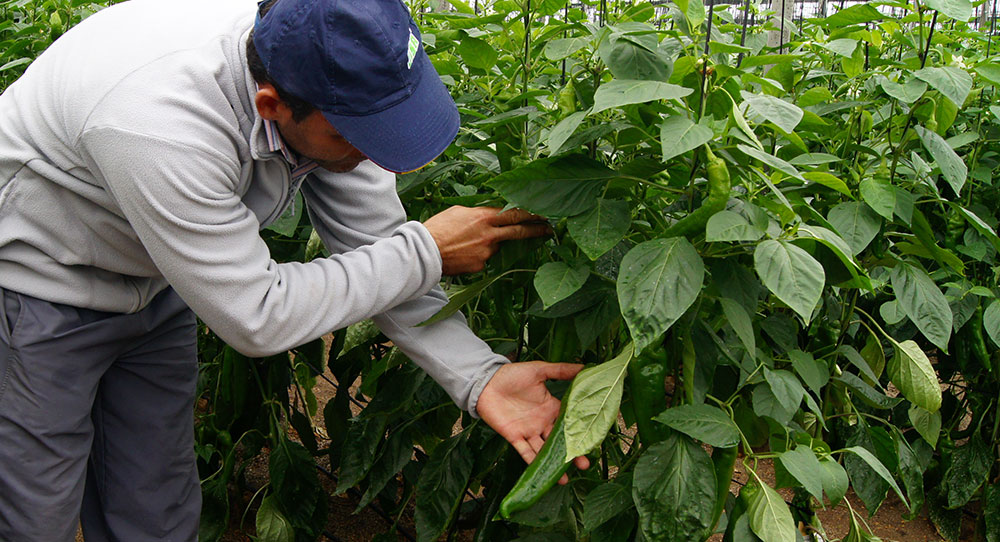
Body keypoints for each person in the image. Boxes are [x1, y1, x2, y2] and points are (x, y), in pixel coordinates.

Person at [0, 0, 588, 539]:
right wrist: (427, 249)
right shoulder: (158, 120)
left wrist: (479, 375)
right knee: (34, 510)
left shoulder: (323, 69)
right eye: (356, 134)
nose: (375, 152)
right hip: (37, 283)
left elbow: (382, 249)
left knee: (154, 501)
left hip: (160, 280)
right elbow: (257, 314)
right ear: (271, 105)